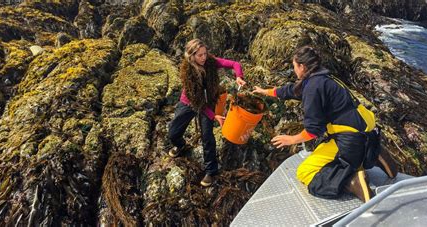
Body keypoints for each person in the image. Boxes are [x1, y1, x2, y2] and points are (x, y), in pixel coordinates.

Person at [253, 46, 397, 202]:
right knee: (324, 149)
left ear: (302, 67)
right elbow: (291, 91)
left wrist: (290, 139)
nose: (294, 70)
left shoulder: (312, 88)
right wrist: (265, 91)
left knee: (305, 172)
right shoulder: (324, 78)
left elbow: (314, 130)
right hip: (368, 129)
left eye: (294, 66)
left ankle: (351, 182)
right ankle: (375, 153)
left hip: (352, 138)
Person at [168, 39, 246, 187]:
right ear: (191, 56)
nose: (203, 58)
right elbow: (196, 100)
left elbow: (235, 64)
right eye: (199, 55)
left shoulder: (210, 61)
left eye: (204, 54)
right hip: (190, 102)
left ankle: (211, 171)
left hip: (208, 101)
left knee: (207, 137)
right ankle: (180, 144)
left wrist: (239, 76)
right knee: (173, 132)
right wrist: (213, 115)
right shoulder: (187, 72)